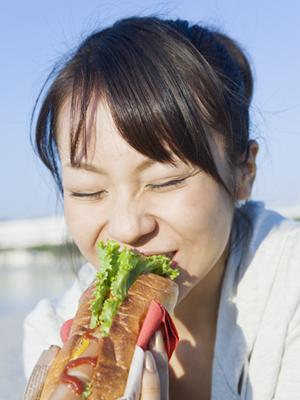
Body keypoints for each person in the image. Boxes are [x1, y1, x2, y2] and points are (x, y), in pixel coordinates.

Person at [23, 16, 300, 399]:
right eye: (88, 191)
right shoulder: (51, 330)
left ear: (243, 172)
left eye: (164, 181)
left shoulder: (290, 287)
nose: (125, 227)